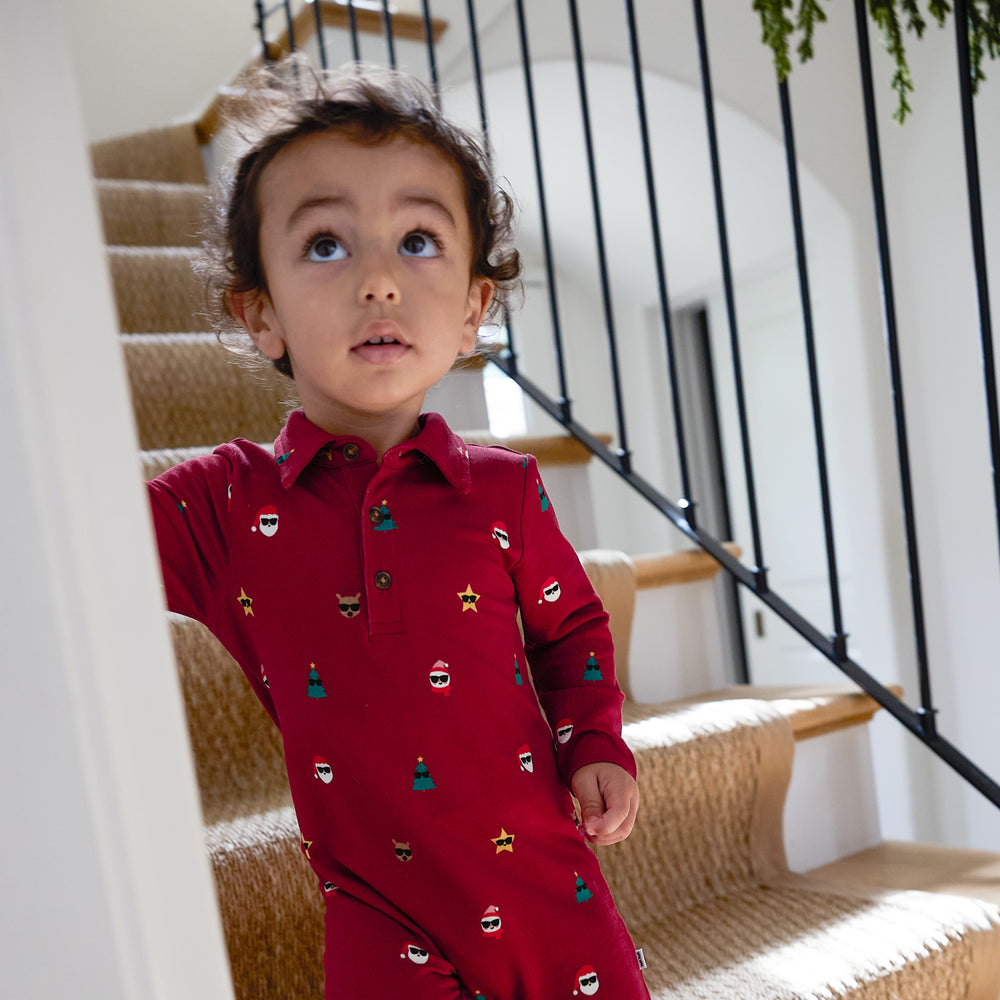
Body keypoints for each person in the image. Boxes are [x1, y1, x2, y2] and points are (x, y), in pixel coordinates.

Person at [148, 57, 650, 1000]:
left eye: (418, 240)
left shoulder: (503, 490)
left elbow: (573, 630)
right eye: (327, 246)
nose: (379, 279)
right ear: (261, 316)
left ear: (470, 310)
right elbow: (71, 549)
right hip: (379, 909)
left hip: (547, 885)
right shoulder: (222, 506)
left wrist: (594, 743)